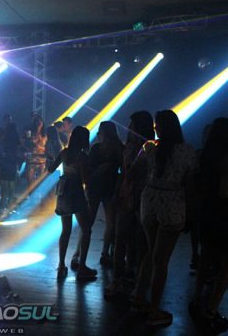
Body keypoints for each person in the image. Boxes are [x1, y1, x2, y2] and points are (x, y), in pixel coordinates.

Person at [131, 110, 198, 327]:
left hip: (150, 200)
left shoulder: (149, 147)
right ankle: (154, 310)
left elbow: (133, 171)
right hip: (172, 203)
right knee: (161, 260)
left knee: (151, 253)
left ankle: (138, 298)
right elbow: (191, 184)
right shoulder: (187, 151)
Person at [190, 118, 228, 333]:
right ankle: (211, 309)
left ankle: (197, 299)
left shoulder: (202, 156)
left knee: (206, 257)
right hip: (225, 215)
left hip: (206, 212)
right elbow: (224, 191)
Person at [104, 111, 153, 299]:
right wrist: (117, 193)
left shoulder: (148, 148)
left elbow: (130, 173)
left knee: (137, 240)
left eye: (132, 125)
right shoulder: (133, 147)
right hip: (130, 195)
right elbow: (124, 173)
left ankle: (134, 279)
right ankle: (121, 279)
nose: (129, 128)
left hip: (141, 197)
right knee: (124, 238)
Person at [49, 126, 97, 281]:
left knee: (66, 231)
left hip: (63, 193)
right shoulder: (81, 156)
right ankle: (82, 267)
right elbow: (85, 179)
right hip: (76, 193)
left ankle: (61, 265)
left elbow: (50, 169)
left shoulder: (64, 153)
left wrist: (51, 158)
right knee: (86, 229)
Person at [84, 121, 124, 268]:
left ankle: (79, 255)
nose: (98, 134)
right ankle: (105, 253)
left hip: (95, 187)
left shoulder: (96, 148)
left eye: (99, 131)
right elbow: (124, 170)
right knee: (111, 222)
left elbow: (88, 169)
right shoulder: (120, 148)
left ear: (104, 133)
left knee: (88, 222)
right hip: (111, 188)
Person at [23, 114, 47, 188]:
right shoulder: (30, 133)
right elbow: (25, 143)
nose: (39, 123)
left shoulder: (45, 135)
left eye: (40, 121)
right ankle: (31, 194)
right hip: (32, 159)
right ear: (35, 123)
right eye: (37, 121)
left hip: (41, 160)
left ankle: (39, 194)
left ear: (42, 123)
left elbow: (47, 147)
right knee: (30, 182)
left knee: (40, 182)